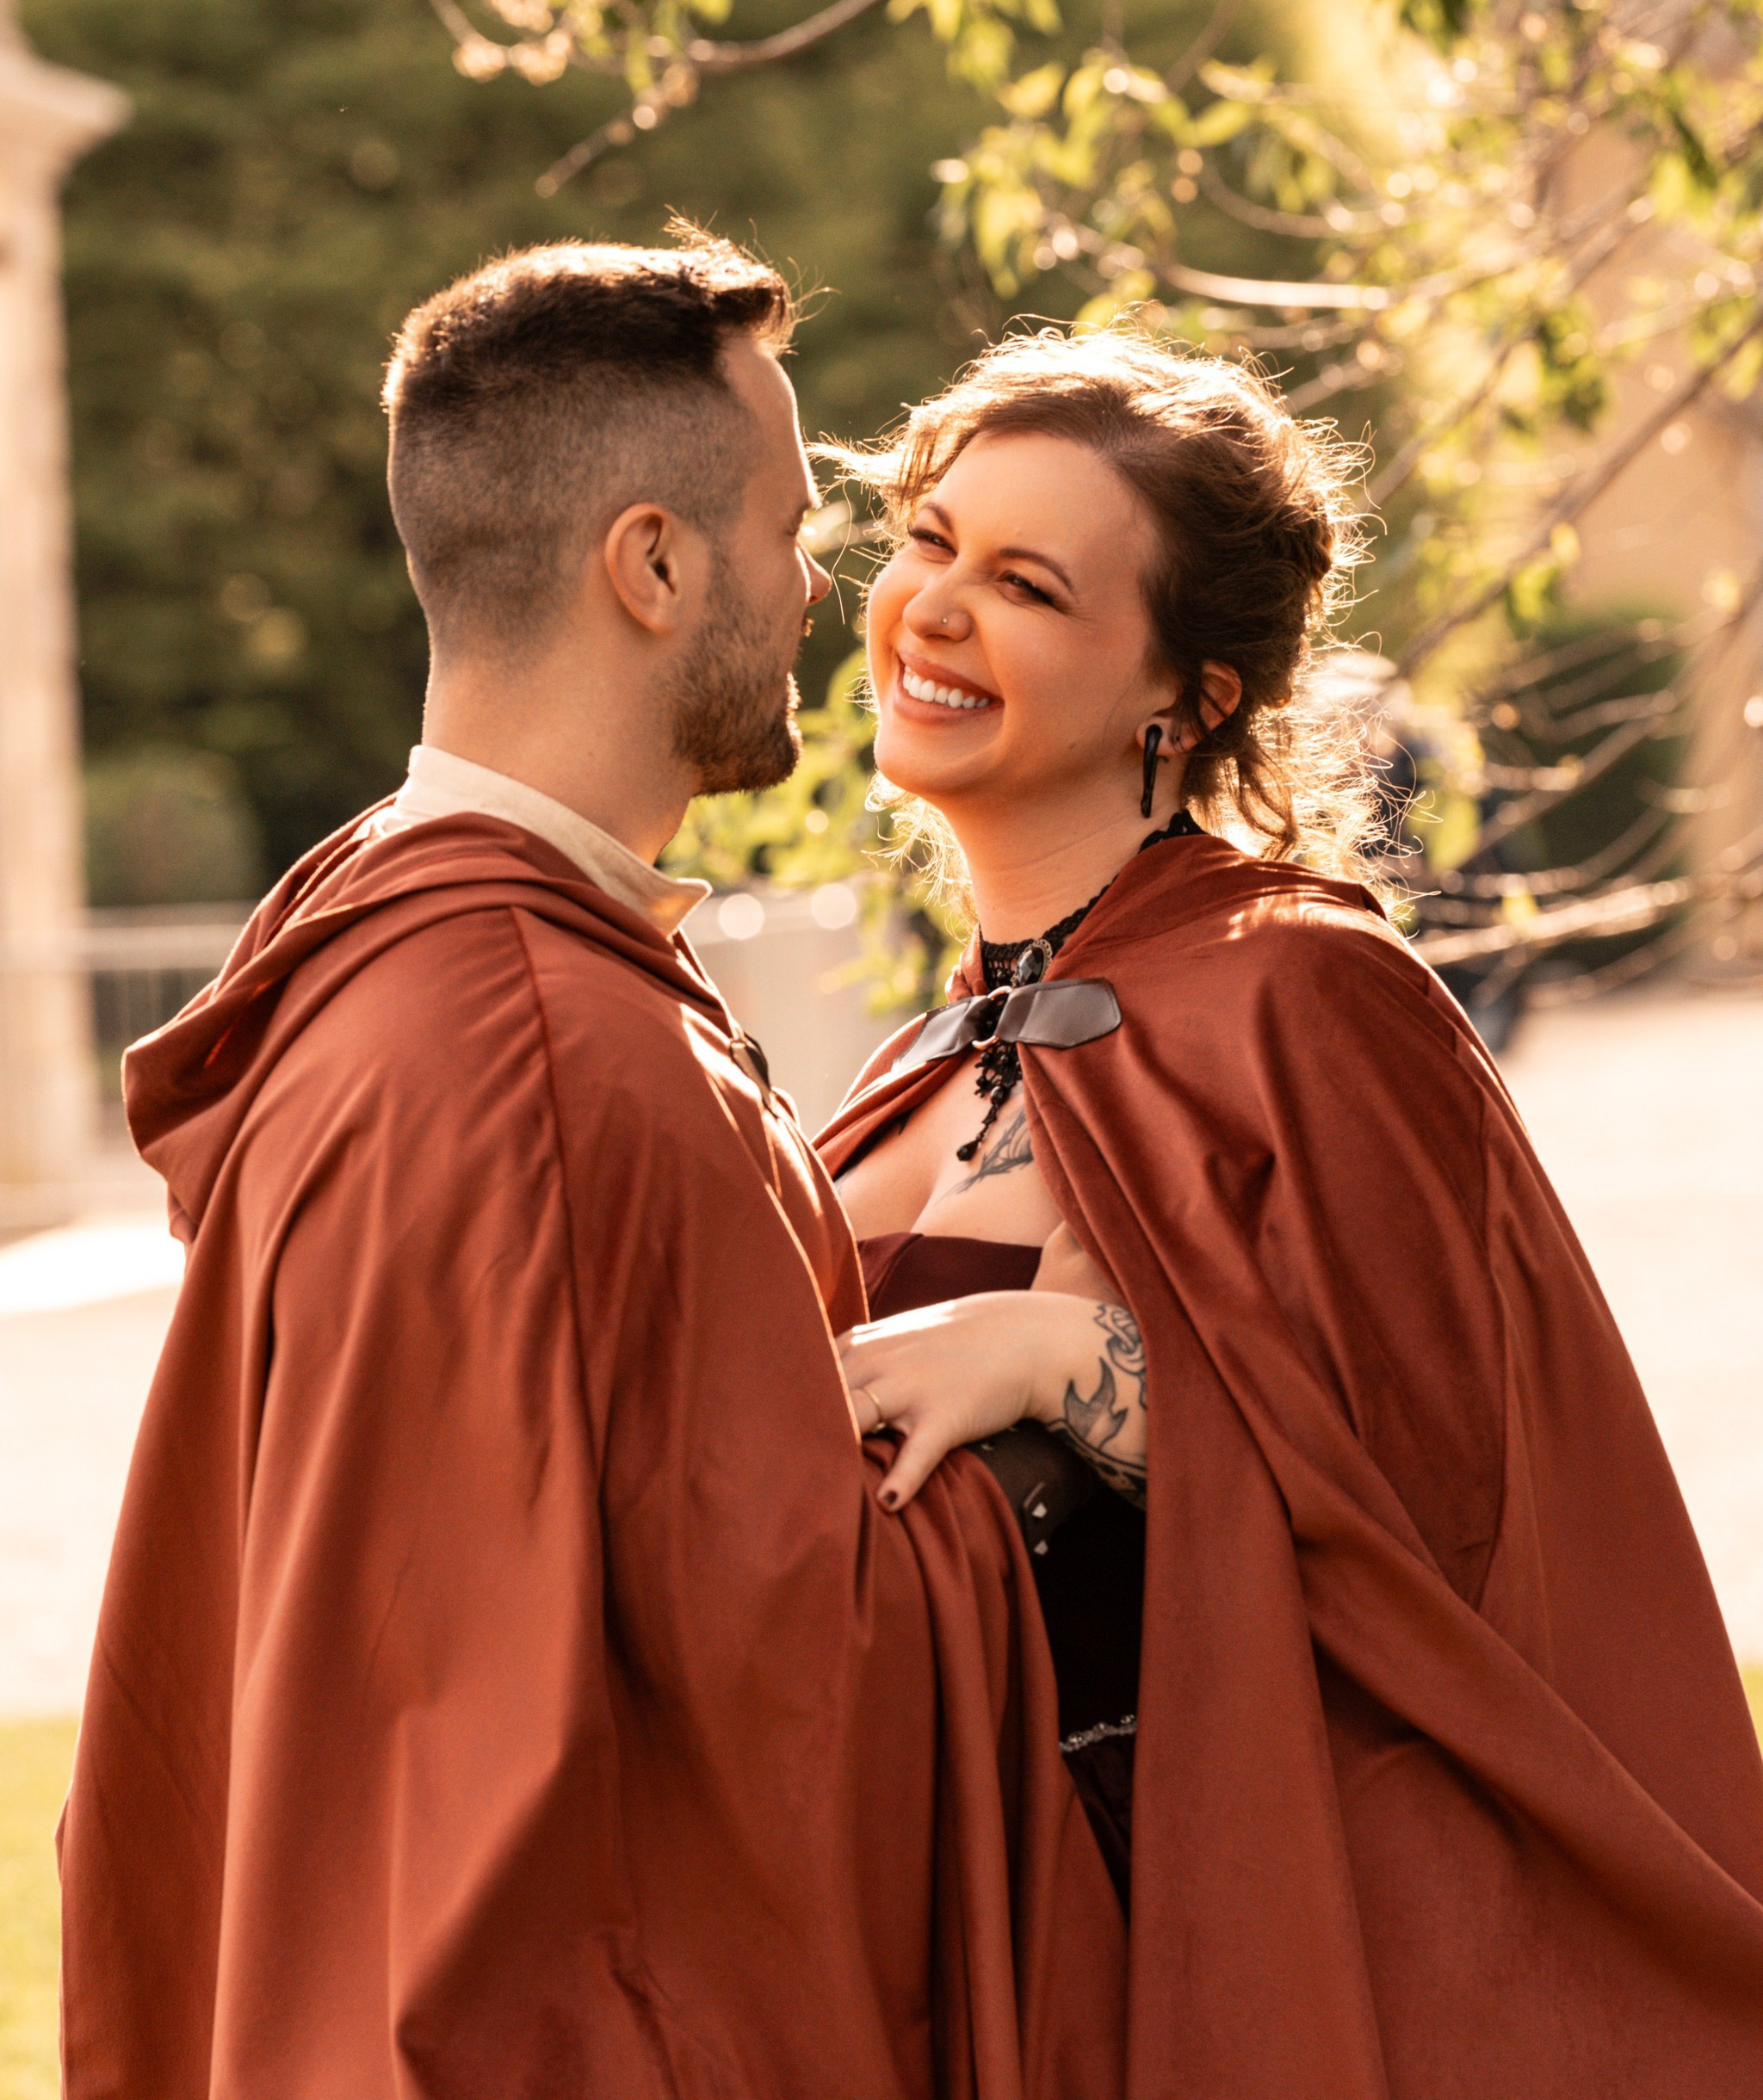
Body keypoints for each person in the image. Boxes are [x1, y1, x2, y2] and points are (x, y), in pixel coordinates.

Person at [56, 236, 1129, 2098]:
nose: (829, 591)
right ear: (650, 563)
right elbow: (767, 1715)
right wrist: (1054, 1384)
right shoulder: (561, 1058)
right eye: (793, 525)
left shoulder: (376, 962)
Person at [816, 327, 1763, 2095]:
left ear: (1194, 689)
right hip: (933, 1949)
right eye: (925, 541)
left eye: (1024, 581)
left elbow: (1438, 1496)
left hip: (1195, 1947)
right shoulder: (908, 1054)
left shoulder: (1306, 989)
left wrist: (1062, 1355)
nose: (930, 610)